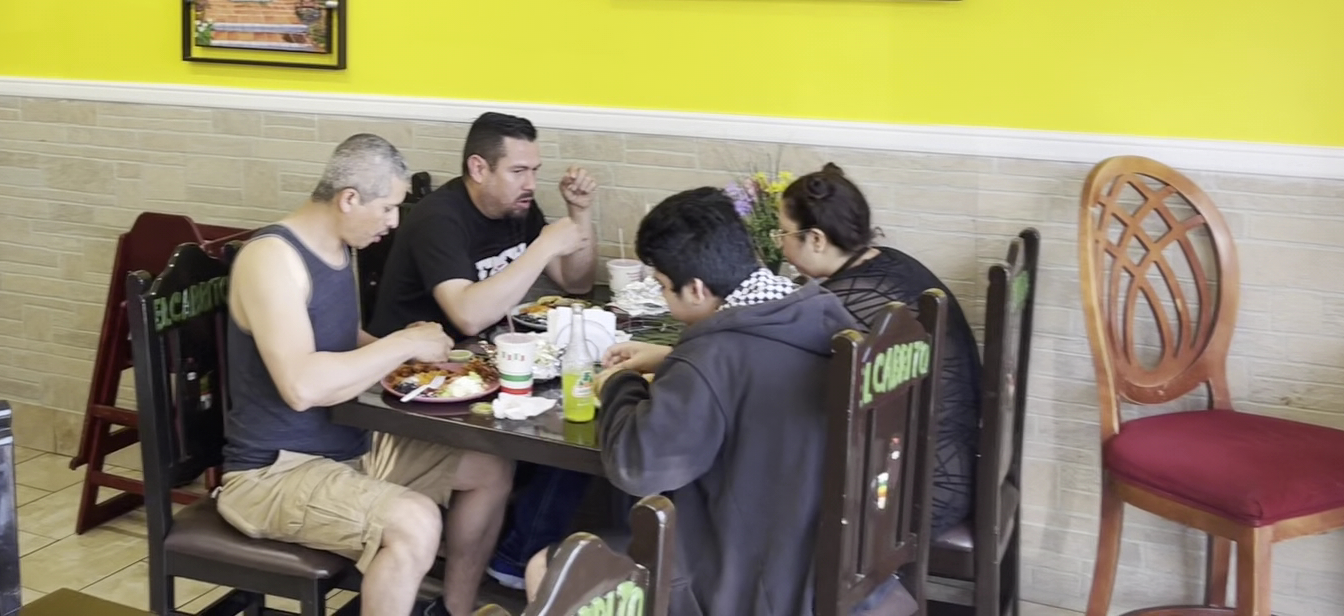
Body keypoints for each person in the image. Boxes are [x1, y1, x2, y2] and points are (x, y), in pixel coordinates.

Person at [523, 187, 880, 616]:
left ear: (695, 289)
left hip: (741, 578)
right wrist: (673, 357)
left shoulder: (711, 357)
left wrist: (619, 384)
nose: (663, 297)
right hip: (819, 558)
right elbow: (753, 372)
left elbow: (640, 467)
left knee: (548, 567)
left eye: (662, 287)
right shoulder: (819, 313)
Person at [218, 134, 513, 616]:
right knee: (416, 522)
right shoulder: (271, 259)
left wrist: (416, 357)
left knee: (489, 466)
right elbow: (301, 386)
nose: (394, 222)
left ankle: (455, 611)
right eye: (389, 208)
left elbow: (341, 336)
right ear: (349, 199)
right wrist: (403, 345)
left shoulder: (340, 248)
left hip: (349, 450)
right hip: (272, 473)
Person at [362, 111, 598, 590]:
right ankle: (511, 561)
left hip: (476, 372)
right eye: (519, 171)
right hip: (409, 387)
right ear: (478, 168)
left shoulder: (517, 208)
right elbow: (468, 315)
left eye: (534, 170)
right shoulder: (440, 219)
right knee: (562, 430)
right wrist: (542, 247)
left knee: (587, 413)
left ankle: (514, 557)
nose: (530, 183)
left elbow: (576, 282)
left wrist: (578, 215)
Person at [778, 163, 982, 537]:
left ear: (817, 239)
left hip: (921, 494)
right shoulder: (890, 263)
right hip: (958, 466)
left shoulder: (844, 303)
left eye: (784, 233)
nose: (781, 244)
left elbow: (785, 382)